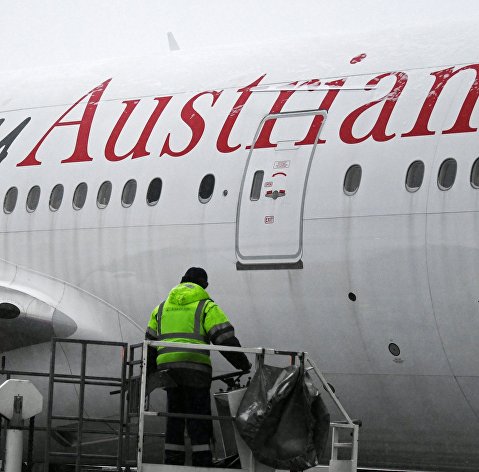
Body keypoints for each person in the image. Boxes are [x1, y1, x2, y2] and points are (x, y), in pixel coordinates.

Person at [146, 267, 251, 467]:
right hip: (195, 370)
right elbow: (225, 339)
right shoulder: (206, 306)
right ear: (204, 285)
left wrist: (150, 374)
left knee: (175, 417)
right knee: (197, 417)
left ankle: (172, 462)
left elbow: (149, 343)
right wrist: (243, 364)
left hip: (169, 371)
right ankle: (202, 461)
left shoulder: (161, 308)